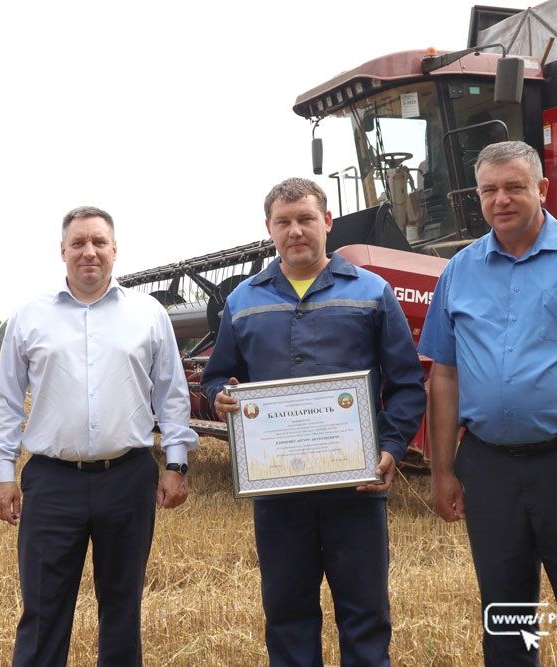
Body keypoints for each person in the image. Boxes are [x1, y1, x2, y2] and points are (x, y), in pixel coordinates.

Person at [419, 140, 557, 665]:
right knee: (505, 621)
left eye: (514, 187)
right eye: (489, 190)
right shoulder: (459, 271)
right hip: (490, 468)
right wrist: (442, 472)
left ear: (541, 189)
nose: (501, 199)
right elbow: (445, 375)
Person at [201, 177, 426, 666]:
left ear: (327, 222)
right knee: (287, 614)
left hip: (356, 487)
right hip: (279, 491)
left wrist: (390, 447)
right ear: (269, 228)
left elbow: (407, 383)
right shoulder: (243, 301)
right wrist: (221, 397)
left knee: (365, 613)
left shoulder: (372, 292)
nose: (295, 231)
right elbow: (216, 377)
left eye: (305, 219)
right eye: (283, 222)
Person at [0, 205, 198, 666]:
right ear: (62, 251)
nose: (89, 251)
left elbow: (172, 394)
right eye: (78, 243)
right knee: (42, 611)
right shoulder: (30, 316)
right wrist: (3, 473)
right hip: (52, 481)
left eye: (99, 242)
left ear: (115, 249)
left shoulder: (148, 314)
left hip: (128, 478)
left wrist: (176, 463)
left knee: (122, 609)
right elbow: (5, 400)